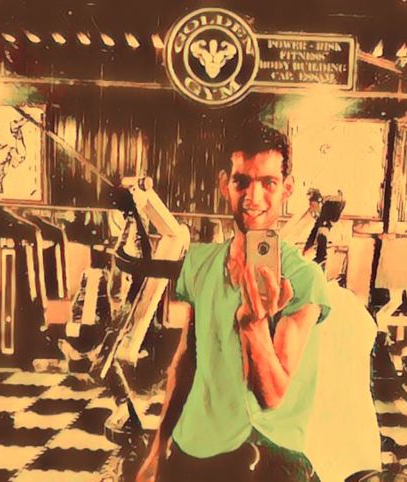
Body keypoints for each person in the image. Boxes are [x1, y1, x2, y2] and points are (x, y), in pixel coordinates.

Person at [137, 121, 331, 482]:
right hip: (197, 443)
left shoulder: (304, 279)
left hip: (269, 454)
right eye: (242, 181)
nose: (253, 197)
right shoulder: (199, 263)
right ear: (224, 183)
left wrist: (253, 327)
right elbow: (187, 361)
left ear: (286, 188)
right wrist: (158, 447)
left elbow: (272, 395)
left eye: (268, 183)